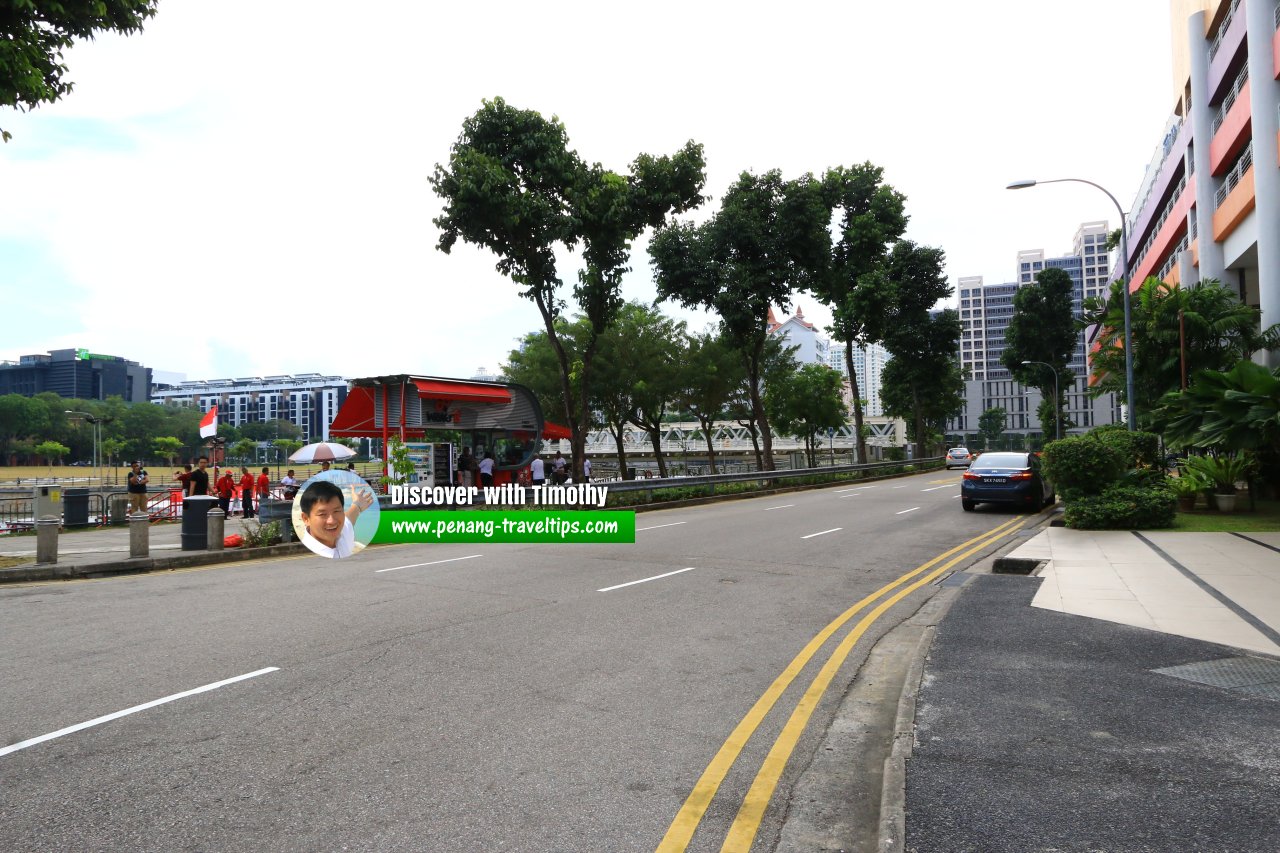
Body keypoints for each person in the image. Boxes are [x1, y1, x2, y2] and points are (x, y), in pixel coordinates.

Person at [298, 479, 374, 559]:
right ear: (306, 519)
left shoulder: (342, 533)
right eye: (322, 514)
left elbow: (349, 518)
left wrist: (357, 505)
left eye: (336, 511)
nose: (332, 521)